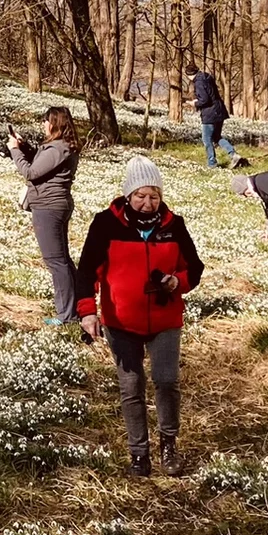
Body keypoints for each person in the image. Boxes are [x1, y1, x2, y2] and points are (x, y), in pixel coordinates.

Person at [74, 155, 205, 477]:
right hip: (121, 321)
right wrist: (88, 312)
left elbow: (195, 268)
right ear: (128, 195)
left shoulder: (174, 225)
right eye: (141, 196)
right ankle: (138, 454)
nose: (148, 203)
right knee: (131, 388)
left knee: (166, 382)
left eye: (154, 196)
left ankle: (169, 445)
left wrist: (179, 282)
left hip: (165, 320)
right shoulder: (105, 223)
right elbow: (86, 271)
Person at [7, 105, 82, 330]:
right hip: (54, 205)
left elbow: (30, 172)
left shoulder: (58, 148)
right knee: (63, 260)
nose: (43, 124)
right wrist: (24, 146)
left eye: (46, 120)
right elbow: (42, 165)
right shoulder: (60, 146)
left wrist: (14, 150)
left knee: (56, 262)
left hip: (48, 208)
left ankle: (66, 316)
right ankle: (77, 307)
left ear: (54, 123)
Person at [189, 68, 249, 169]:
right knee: (217, 137)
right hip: (219, 111)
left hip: (210, 114)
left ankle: (212, 163)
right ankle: (233, 155)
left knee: (206, 139)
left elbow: (205, 100)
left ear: (189, 75)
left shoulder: (199, 82)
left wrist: (194, 103)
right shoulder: (207, 77)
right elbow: (210, 95)